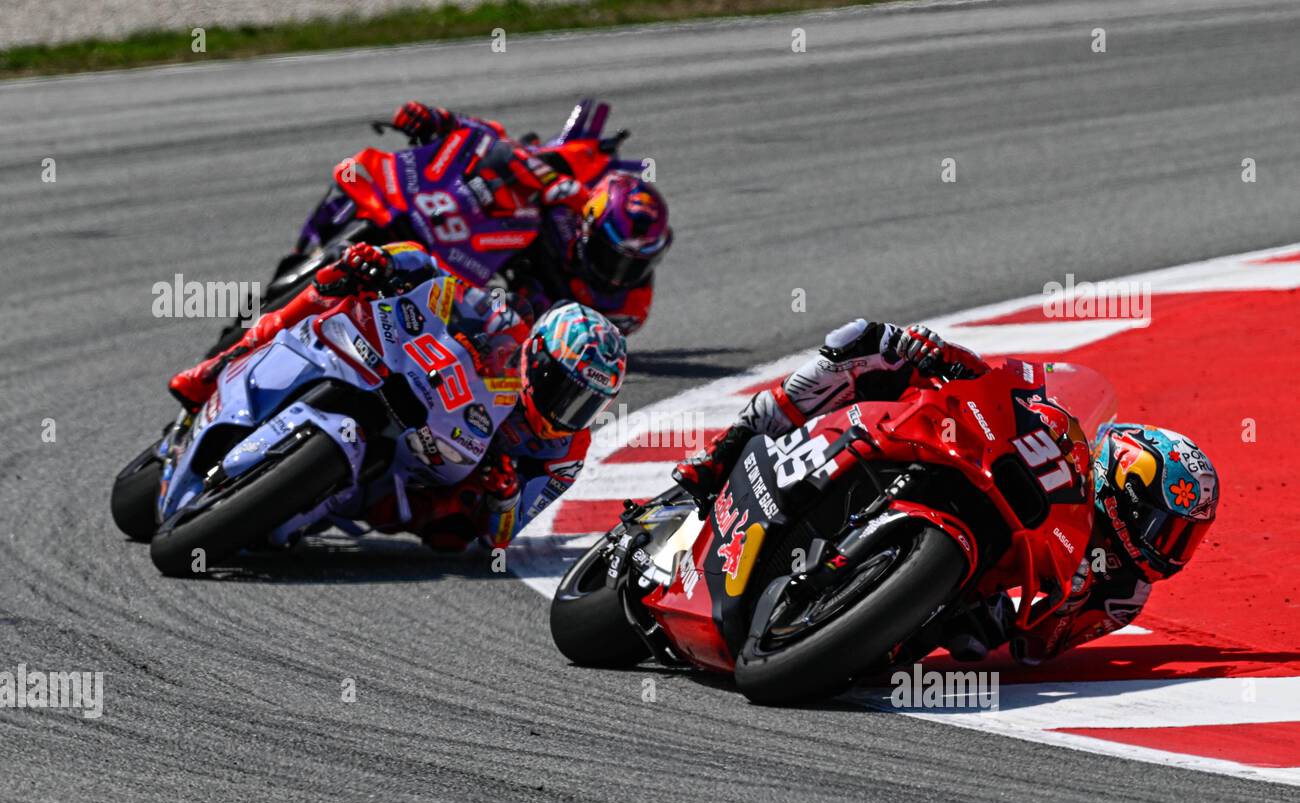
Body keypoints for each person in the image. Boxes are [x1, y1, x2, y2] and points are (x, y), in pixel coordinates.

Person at [671, 319, 1220, 665]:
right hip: (958, 454)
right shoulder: (1065, 433)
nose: (1168, 548)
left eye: (1182, 539)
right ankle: (729, 446)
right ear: (1125, 486)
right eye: (1165, 528)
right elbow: (1010, 382)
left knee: (970, 641)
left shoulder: (1123, 591)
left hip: (978, 584)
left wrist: (1065, 595)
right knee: (864, 343)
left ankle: (846, 620)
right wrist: (944, 355)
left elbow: (1034, 649)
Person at [169, 241, 627, 552]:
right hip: (413, 382)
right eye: (566, 392)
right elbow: (439, 276)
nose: (570, 412)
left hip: (435, 472)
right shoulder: (505, 326)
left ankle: (305, 498)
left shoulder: (566, 452)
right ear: (539, 359)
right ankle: (215, 366)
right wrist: (387, 265)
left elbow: (504, 537)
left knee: (454, 529)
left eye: (587, 404)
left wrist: (504, 496)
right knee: (337, 283)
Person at [392, 100, 672, 335]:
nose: (618, 275)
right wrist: (440, 120)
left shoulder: (630, 306)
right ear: (588, 227)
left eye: (635, 265)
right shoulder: (573, 198)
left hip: (524, 304)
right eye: (613, 256)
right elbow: (499, 143)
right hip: (478, 235)